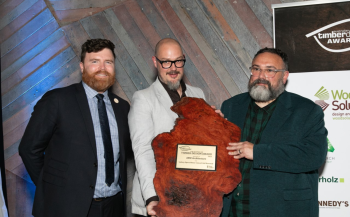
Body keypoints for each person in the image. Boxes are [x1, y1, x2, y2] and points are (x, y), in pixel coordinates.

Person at [18, 39, 132, 217]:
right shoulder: (57, 100)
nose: (102, 68)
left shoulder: (123, 107)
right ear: (81, 66)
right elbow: (28, 149)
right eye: (94, 61)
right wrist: (51, 188)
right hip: (67, 207)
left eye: (108, 62)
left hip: (114, 206)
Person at [221, 48, 327, 217]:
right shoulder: (231, 106)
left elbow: (314, 155)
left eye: (270, 70)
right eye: (256, 69)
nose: (261, 76)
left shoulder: (306, 110)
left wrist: (257, 152)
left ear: (284, 76)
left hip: (283, 210)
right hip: (233, 210)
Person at [128, 38, 206, 216]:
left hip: (193, 200)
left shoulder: (199, 95)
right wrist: (152, 197)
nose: (173, 68)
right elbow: (143, 151)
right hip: (158, 200)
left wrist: (217, 127)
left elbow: (203, 146)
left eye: (178, 61)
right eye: (166, 62)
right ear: (155, 62)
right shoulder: (143, 99)